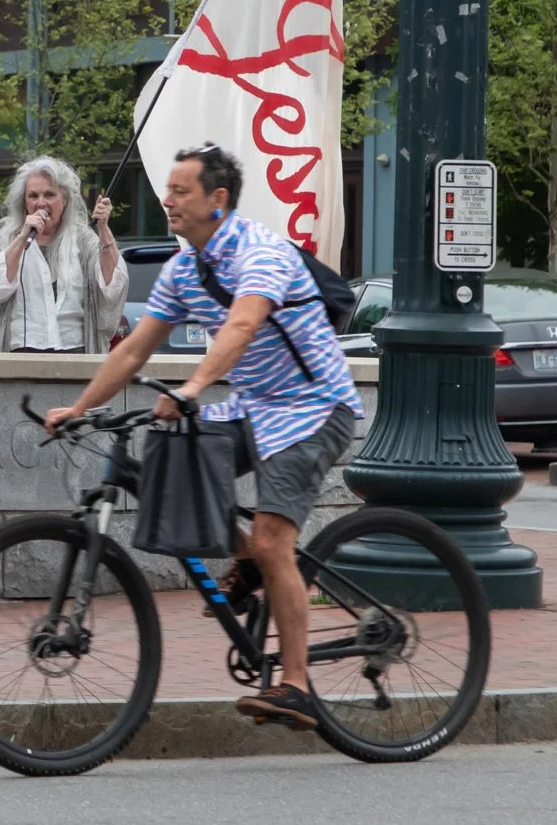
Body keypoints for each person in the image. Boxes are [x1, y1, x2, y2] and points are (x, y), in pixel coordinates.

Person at [43, 143, 364, 733]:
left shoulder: (259, 251)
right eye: (167, 191)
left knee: (275, 541)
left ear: (218, 200)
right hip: (253, 405)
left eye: (180, 191)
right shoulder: (184, 269)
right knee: (173, 451)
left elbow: (242, 324)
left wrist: (191, 388)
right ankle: (246, 557)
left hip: (312, 407)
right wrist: (80, 407)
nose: (167, 201)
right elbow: (135, 348)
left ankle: (296, 685)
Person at [0, 157, 127, 353]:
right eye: (33, 196)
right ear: (24, 203)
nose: (41, 203)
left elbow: (112, 286)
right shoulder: (9, 237)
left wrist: (104, 229)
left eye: (49, 194)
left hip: (74, 351)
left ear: (64, 200)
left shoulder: (81, 238)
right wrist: (23, 237)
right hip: (20, 353)